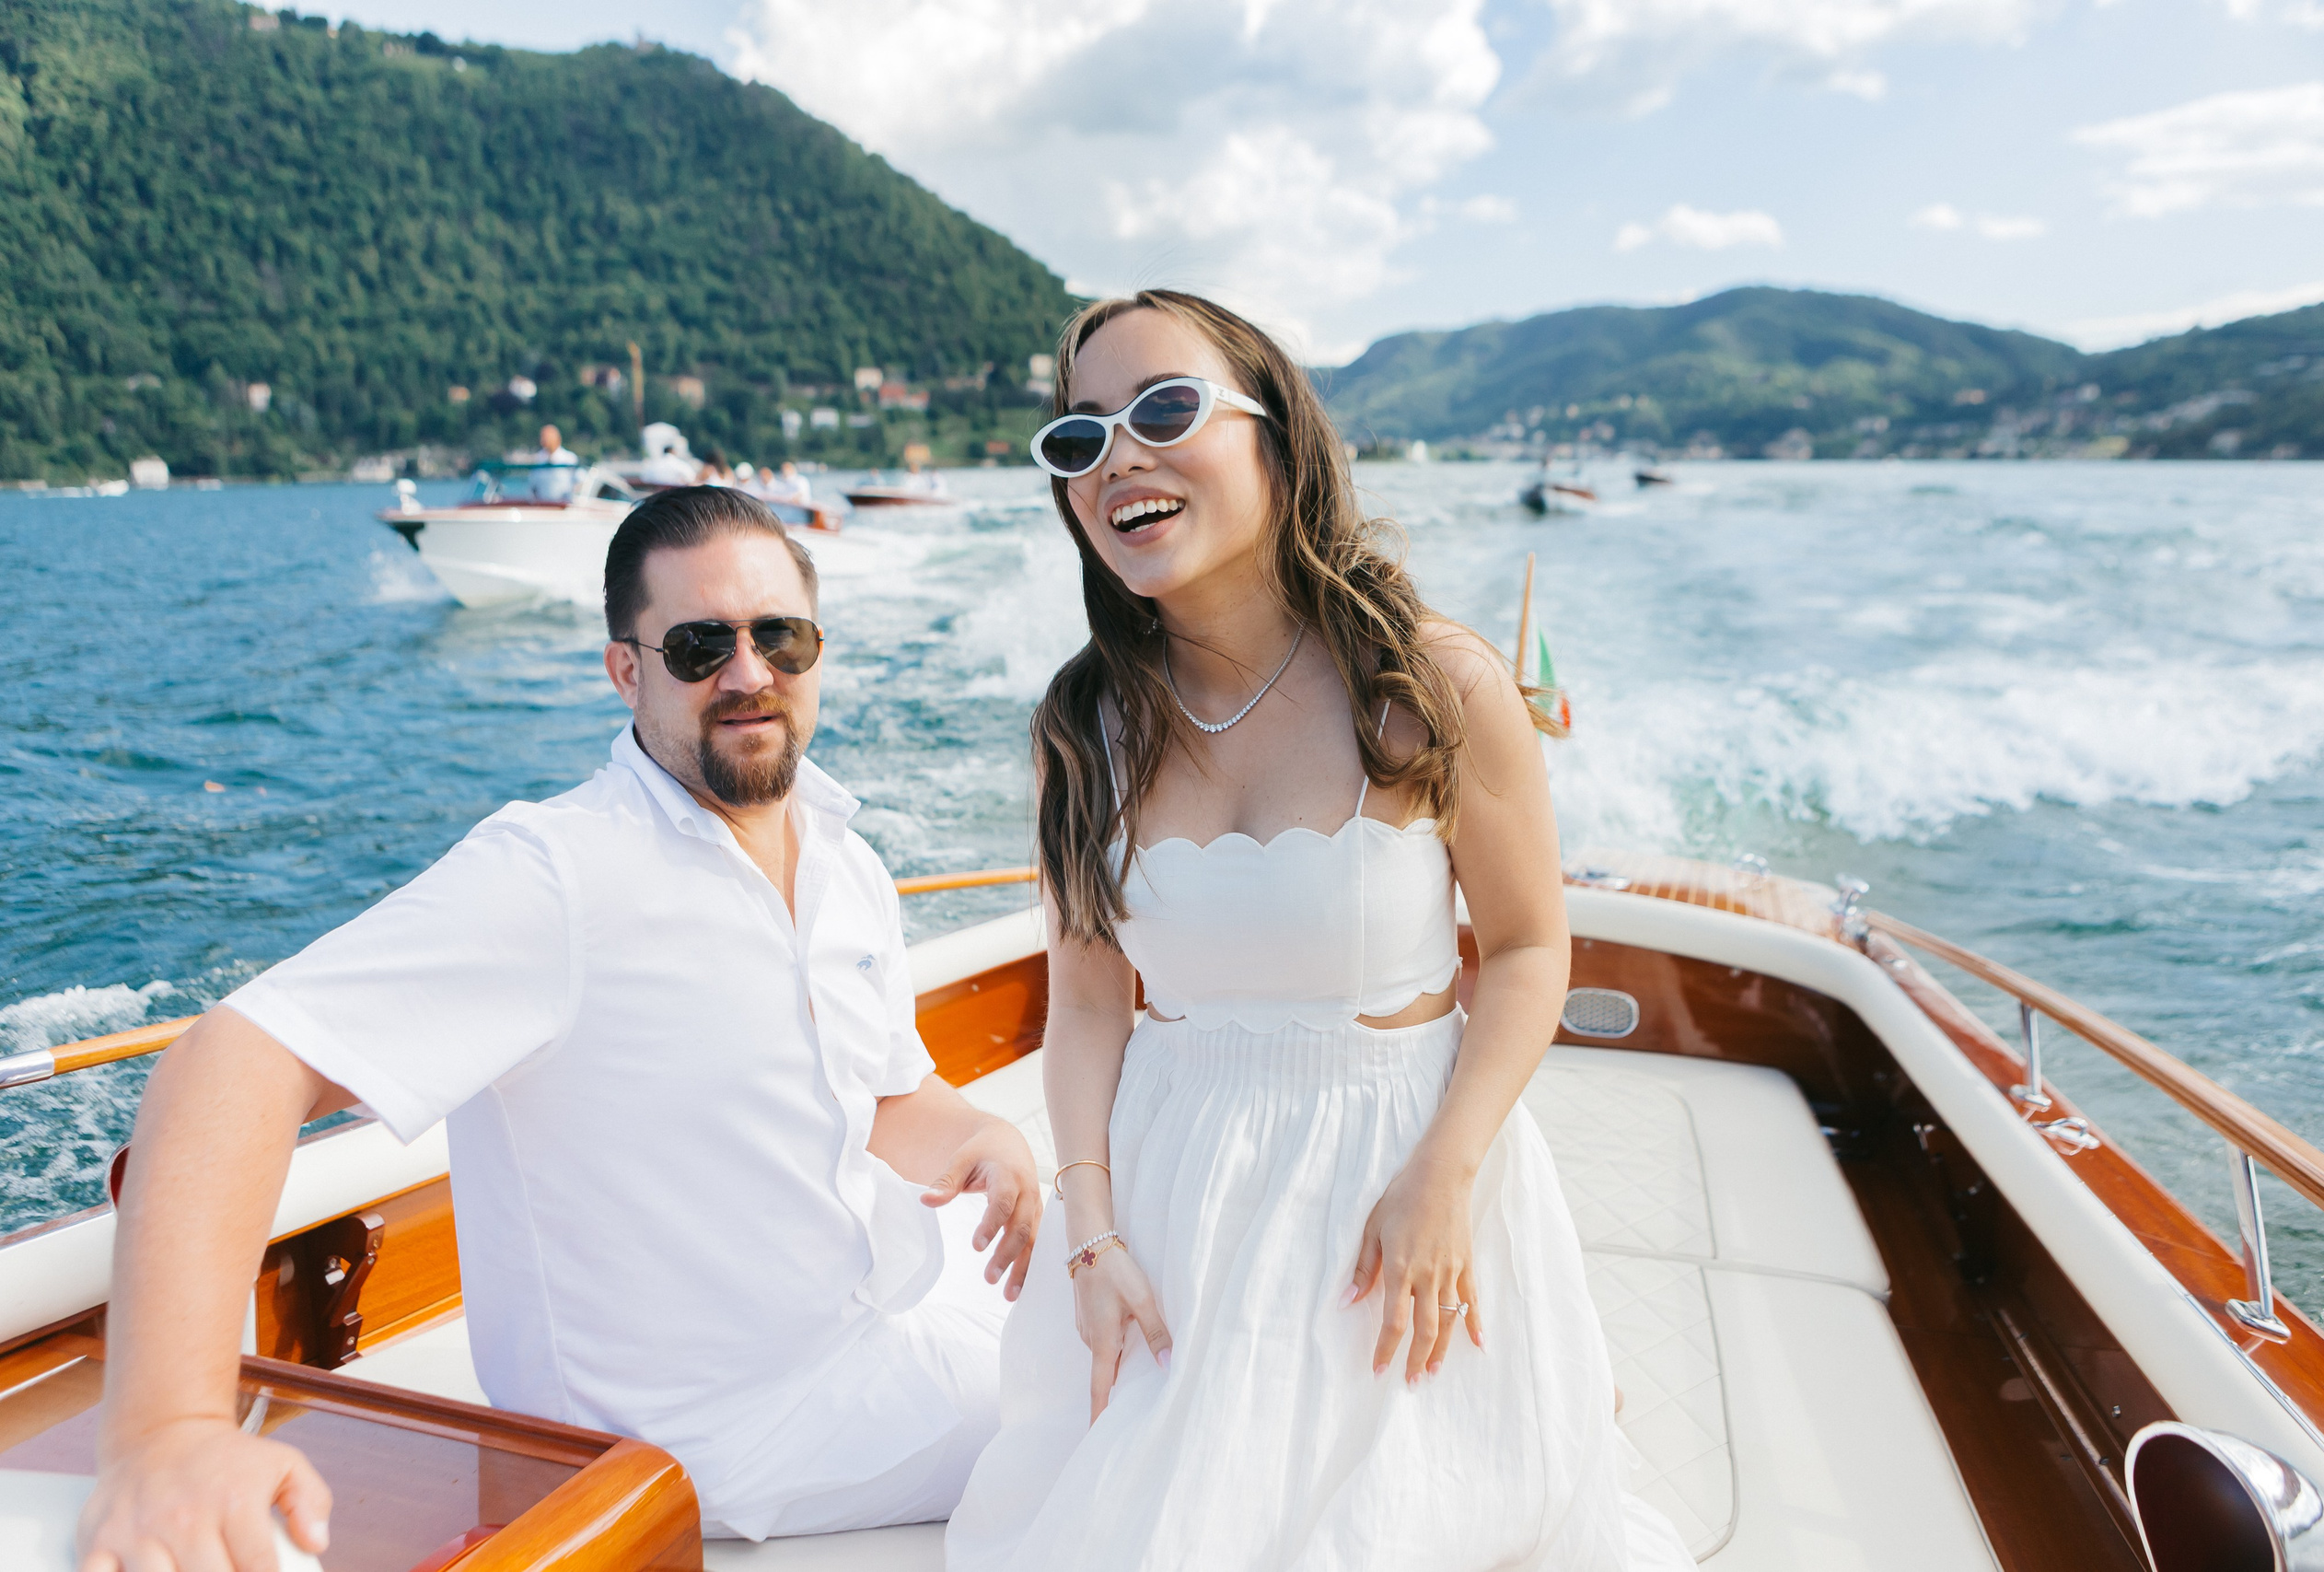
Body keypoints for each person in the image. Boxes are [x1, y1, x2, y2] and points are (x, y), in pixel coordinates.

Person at [77, 487, 1041, 1572]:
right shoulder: (561, 875)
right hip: (722, 1432)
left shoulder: (842, 858)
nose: (748, 673)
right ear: (626, 670)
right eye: (699, 646)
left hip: (866, 1320)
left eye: (781, 637)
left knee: (1147, 1272)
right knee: (1148, 1392)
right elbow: (233, 1059)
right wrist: (169, 1432)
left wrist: (981, 1139)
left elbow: (886, 1094)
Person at [945, 292, 1694, 1570]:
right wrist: (1093, 1235)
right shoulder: (1081, 728)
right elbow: (1087, 1006)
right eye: (1080, 437)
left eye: (1163, 410)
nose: (1117, 456)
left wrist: (1446, 1175)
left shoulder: (1433, 683)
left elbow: (1526, 950)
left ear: (1279, 439)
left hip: (1397, 1184)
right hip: (1173, 1202)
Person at [527, 423, 577, 501]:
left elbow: (579, 481)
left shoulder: (569, 458)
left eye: (547, 437)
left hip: (564, 504)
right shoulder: (538, 458)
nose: (543, 440)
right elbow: (533, 485)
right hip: (542, 505)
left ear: (557, 438)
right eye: (542, 437)